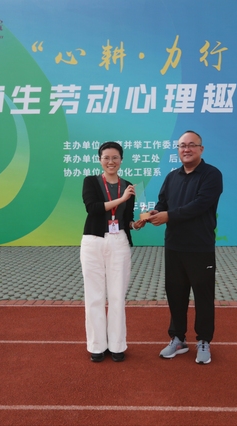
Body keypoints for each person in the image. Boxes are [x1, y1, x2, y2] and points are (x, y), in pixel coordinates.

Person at [148, 130, 223, 365]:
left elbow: (200, 205)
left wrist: (168, 215)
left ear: (201, 149)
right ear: (178, 150)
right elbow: (163, 202)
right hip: (174, 245)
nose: (186, 149)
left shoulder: (212, 175)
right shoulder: (172, 177)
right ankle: (178, 338)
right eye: (182, 145)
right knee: (175, 294)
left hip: (200, 247)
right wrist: (155, 213)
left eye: (191, 145)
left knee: (203, 295)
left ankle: (204, 340)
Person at [80, 141, 145, 362]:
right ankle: (97, 346)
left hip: (119, 242)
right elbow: (93, 208)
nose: (111, 161)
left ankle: (117, 345)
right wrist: (122, 199)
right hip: (93, 241)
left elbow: (126, 219)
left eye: (115, 157)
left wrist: (135, 224)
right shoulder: (91, 181)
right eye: (106, 157)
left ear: (121, 160)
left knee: (117, 295)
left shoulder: (128, 186)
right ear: (100, 160)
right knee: (94, 295)